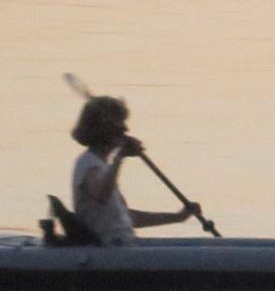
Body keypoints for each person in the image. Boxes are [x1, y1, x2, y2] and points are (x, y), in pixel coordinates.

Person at [69, 96, 201, 245]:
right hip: (108, 249)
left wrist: (177, 217)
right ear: (104, 129)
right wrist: (120, 157)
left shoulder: (103, 167)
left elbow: (127, 217)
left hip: (124, 245)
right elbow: (101, 195)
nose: (126, 129)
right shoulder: (89, 164)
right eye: (120, 123)